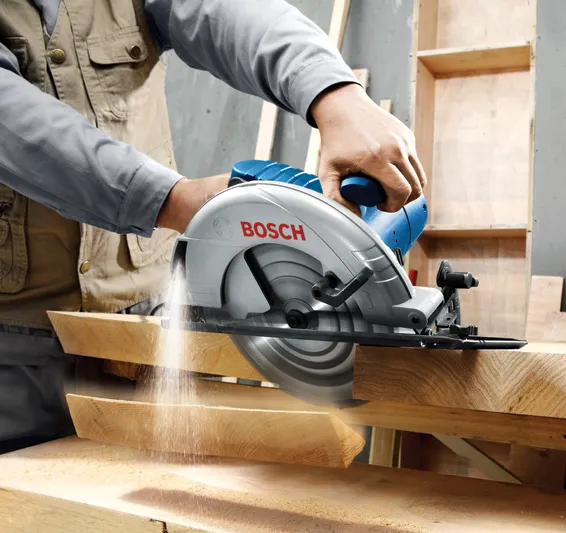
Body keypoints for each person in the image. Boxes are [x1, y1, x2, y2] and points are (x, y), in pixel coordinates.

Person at [0, 0, 427, 454]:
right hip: (14, 344)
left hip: (145, 320)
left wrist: (334, 94)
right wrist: (174, 200)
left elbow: (219, 9)